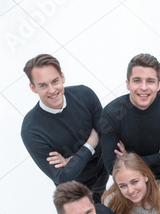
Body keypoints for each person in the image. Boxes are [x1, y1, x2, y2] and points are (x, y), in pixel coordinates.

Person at [21, 54, 108, 203]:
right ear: (33, 87)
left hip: (103, 170)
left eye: (55, 81)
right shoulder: (31, 130)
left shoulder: (85, 95)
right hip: (75, 190)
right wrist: (91, 143)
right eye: (43, 85)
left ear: (62, 77)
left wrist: (72, 160)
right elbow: (63, 177)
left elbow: (107, 139)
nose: (52, 90)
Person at [100, 53, 160, 181]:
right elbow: (112, 168)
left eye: (150, 81)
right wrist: (158, 158)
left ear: (158, 85)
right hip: (128, 180)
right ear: (127, 84)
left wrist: (129, 163)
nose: (144, 87)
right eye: (137, 80)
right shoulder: (111, 114)